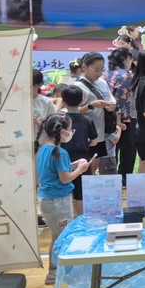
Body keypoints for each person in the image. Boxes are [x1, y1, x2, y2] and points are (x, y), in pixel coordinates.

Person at [35, 113, 89, 285]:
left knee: (57, 235)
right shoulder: (60, 152)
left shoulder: (44, 148)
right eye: (71, 129)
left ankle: (58, 270)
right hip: (57, 201)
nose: (72, 132)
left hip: (48, 199)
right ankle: (54, 272)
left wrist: (73, 165)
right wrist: (80, 170)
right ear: (63, 131)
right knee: (60, 237)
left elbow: (55, 172)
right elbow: (65, 178)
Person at [75, 52, 117, 175]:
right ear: (84, 67)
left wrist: (111, 106)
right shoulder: (78, 87)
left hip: (101, 132)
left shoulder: (102, 82)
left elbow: (110, 99)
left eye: (102, 70)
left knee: (95, 165)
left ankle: (91, 184)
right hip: (87, 135)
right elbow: (72, 112)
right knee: (84, 166)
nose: (99, 74)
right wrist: (91, 105)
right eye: (96, 70)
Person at [59, 85, 98, 216]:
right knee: (81, 194)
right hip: (83, 159)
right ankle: (80, 220)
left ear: (63, 102)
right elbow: (94, 141)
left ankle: (67, 220)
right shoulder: (87, 120)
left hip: (63, 159)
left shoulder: (60, 120)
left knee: (64, 191)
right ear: (81, 101)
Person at [104, 48, 135, 186]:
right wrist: (119, 120)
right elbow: (120, 99)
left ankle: (112, 178)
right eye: (129, 59)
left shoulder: (108, 74)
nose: (131, 62)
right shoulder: (124, 75)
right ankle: (124, 179)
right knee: (128, 151)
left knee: (112, 150)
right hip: (123, 119)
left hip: (108, 117)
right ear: (124, 60)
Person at [32, 69, 56, 144]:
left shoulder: (46, 102)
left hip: (41, 144)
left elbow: (53, 125)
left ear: (40, 84)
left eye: (31, 85)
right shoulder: (17, 101)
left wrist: (38, 122)